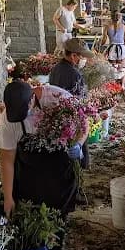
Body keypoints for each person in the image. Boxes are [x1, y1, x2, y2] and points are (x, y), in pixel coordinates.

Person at [0, 81, 84, 217]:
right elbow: (7, 159)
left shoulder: (58, 98)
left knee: (58, 214)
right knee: (31, 211)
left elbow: (84, 123)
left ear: (31, 99)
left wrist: (78, 143)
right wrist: (8, 197)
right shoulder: (7, 118)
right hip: (29, 174)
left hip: (59, 171)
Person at [50, 38, 95, 171]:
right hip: (73, 118)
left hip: (57, 116)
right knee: (78, 150)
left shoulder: (56, 69)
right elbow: (80, 101)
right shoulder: (74, 74)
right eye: (82, 56)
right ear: (74, 56)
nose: (84, 60)